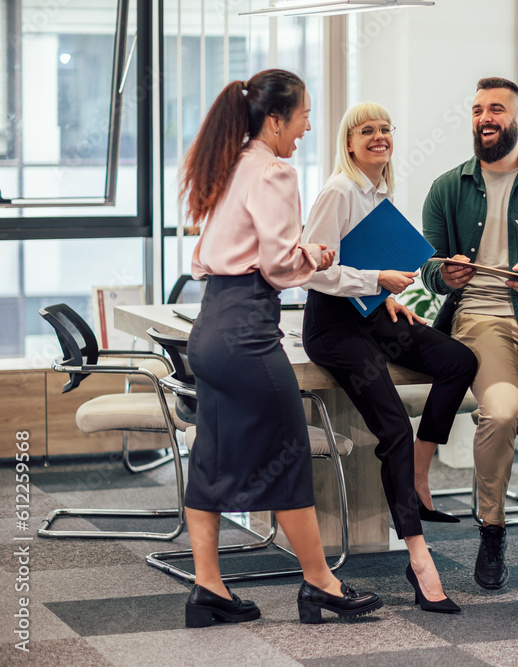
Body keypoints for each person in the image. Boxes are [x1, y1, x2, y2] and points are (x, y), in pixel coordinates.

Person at [180, 69, 383, 628]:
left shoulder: (229, 163)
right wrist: (314, 256)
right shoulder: (273, 170)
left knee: (211, 458)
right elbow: (276, 263)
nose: (308, 126)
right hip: (246, 329)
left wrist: (299, 252)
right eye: (303, 116)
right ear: (275, 120)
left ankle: (209, 589)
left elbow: (219, 251)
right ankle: (321, 583)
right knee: (290, 452)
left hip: (210, 325)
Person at [301, 102, 477, 614]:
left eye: (385, 129)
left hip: (373, 314)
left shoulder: (378, 191)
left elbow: (363, 264)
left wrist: (386, 295)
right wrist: (376, 281)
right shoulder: (338, 191)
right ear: (349, 143)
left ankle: (421, 474)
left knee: (458, 362)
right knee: (394, 429)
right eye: (366, 131)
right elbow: (311, 271)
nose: (379, 137)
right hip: (334, 328)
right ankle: (419, 556)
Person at [420, 77, 518, 619]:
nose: (485, 118)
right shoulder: (447, 188)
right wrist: (448, 274)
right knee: (501, 409)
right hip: (479, 319)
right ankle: (491, 525)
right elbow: (429, 270)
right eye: (477, 110)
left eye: (496, 109)